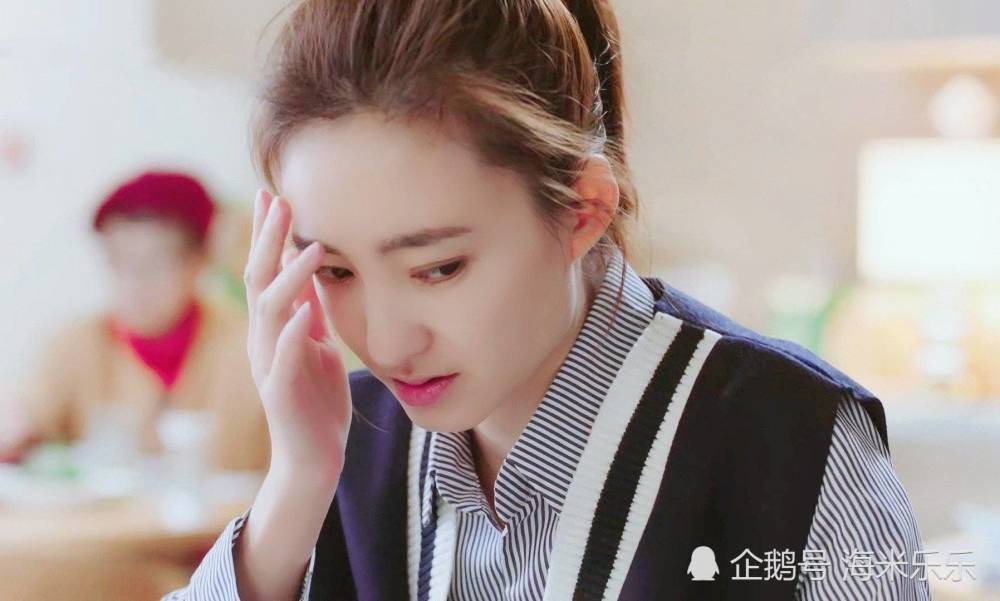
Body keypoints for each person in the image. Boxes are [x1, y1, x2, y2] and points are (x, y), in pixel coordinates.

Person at [165, 1, 929, 599]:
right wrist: (295, 486)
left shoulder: (790, 441)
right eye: (335, 271)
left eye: (438, 268)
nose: (388, 342)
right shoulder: (346, 450)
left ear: (582, 208)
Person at [0, 171, 270, 472]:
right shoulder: (76, 345)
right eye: (119, 260)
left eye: (155, 262)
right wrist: (15, 431)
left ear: (198, 261)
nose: (133, 282)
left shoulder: (250, 350)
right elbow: (26, 417)